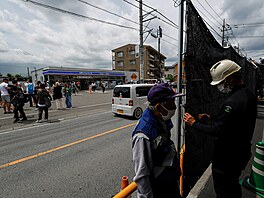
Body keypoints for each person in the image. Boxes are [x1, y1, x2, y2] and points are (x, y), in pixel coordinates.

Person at [183, 59, 257, 198]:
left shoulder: (233, 102)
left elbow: (219, 130)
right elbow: (233, 122)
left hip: (228, 158)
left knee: (224, 190)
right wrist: (210, 118)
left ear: (230, 78)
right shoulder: (248, 95)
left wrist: (194, 123)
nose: (221, 86)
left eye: (221, 82)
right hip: (241, 152)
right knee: (233, 186)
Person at [132, 83, 181, 198]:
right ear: (159, 107)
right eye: (171, 103)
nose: (174, 107)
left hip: (169, 179)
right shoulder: (143, 134)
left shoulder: (161, 119)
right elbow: (142, 173)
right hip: (159, 188)